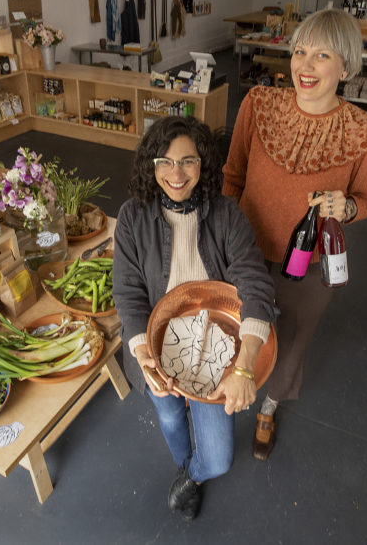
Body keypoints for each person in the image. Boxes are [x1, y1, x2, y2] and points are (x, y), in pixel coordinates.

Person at [222, 7, 367, 460]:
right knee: (237, 324)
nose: (305, 65)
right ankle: (232, 383)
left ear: (346, 68)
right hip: (244, 251)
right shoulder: (259, 105)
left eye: (322, 55)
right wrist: (222, 236)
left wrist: (346, 207)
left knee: (292, 335)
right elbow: (233, 176)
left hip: (308, 264)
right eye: (300, 52)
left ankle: (269, 407)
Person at [112, 115, 277, 521]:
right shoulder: (133, 217)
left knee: (218, 459)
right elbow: (128, 293)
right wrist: (144, 356)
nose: (176, 173)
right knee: (171, 416)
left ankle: (194, 477)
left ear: (203, 163)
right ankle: (184, 463)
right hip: (156, 345)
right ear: (151, 165)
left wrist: (243, 368)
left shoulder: (227, 215)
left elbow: (255, 284)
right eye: (165, 162)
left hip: (215, 344)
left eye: (188, 160)